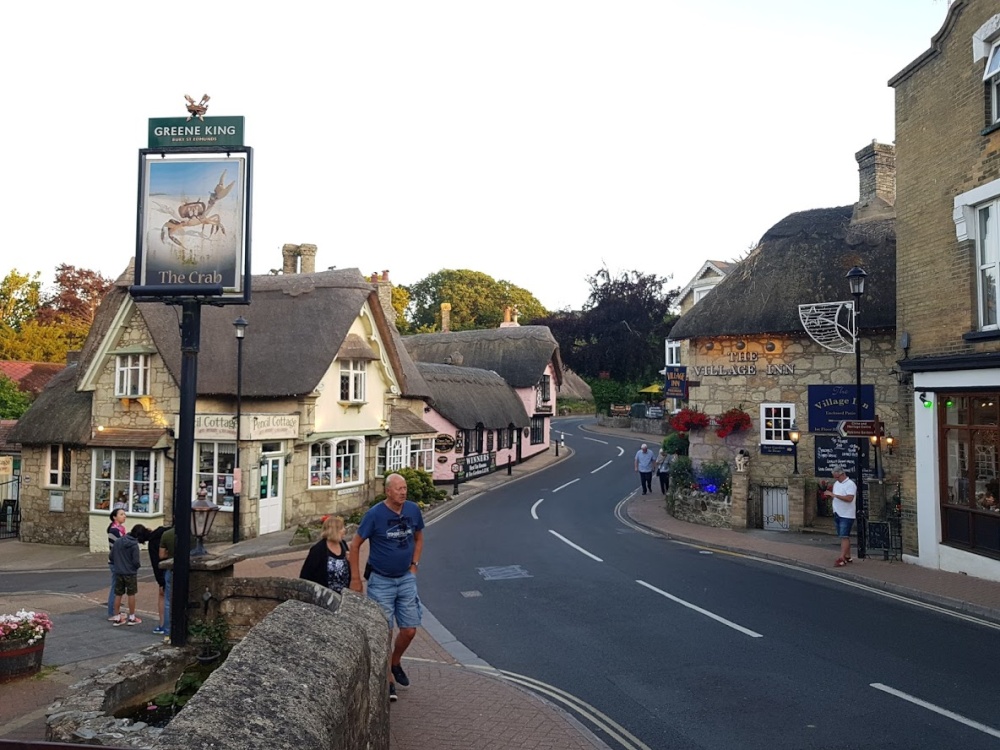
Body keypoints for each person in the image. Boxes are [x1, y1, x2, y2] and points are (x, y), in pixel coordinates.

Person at [348, 473, 424, 704]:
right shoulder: (374, 515)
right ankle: (389, 679)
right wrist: (355, 579)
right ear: (388, 491)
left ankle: (394, 661)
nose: (403, 492)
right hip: (381, 581)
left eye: (405, 488)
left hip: (406, 578)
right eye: (399, 488)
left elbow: (419, 538)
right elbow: (355, 545)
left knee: (410, 629)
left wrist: (414, 566)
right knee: (385, 630)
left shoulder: (412, 510)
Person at [110, 524, 151, 626]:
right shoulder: (134, 545)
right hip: (130, 573)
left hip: (118, 572)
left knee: (118, 594)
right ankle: (132, 617)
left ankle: (117, 617)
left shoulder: (118, 541)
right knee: (131, 594)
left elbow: (111, 556)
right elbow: (136, 561)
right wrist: (136, 567)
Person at [300, 515, 352, 593]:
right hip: (323, 596)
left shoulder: (343, 544)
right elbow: (306, 575)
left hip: (343, 595)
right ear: (334, 531)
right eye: (341, 528)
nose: (344, 530)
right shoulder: (318, 549)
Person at [824, 467, 857, 567]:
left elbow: (849, 498)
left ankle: (842, 558)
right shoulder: (836, 484)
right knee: (843, 536)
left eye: (837, 477)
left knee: (844, 536)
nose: (836, 479)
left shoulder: (850, 484)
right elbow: (835, 496)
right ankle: (848, 556)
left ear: (842, 474)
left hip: (847, 514)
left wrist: (834, 495)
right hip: (838, 513)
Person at [147, 524, 172, 635]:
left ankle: (164, 626)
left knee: (164, 598)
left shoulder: (154, 541)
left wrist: (160, 581)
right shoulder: (172, 533)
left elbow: (156, 561)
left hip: (166, 570)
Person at [106, 507, 127, 621]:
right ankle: (112, 613)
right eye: (121, 514)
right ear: (115, 517)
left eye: (124, 514)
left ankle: (116, 610)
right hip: (116, 562)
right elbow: (118, 546)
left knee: (118, 587)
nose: (124, 516)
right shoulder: (114, 530)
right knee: (116, 587)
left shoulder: (120, 529)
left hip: (118, 561)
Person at [159, 526, 176, 640]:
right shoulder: (194, 534)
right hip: (189, 569)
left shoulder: (167, 534)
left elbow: (162, 555)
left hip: (171, 569)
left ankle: (167, 632)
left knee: (168, 601)